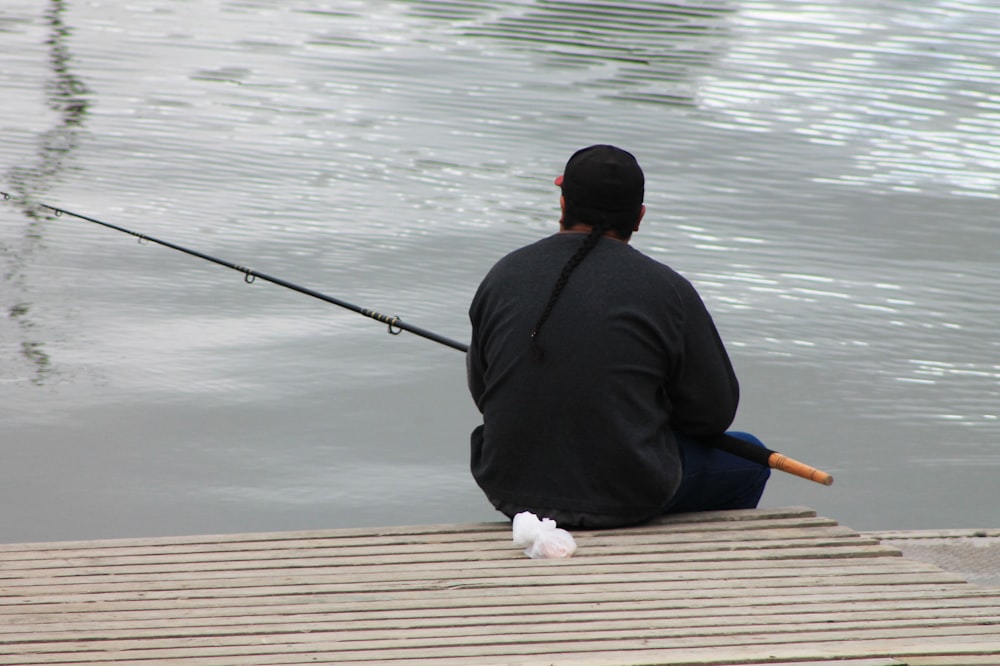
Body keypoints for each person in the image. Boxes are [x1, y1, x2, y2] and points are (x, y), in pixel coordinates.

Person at [466, 144, 770, 529]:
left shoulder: (503, 276)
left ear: (563, 205)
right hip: (624, 494)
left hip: (511, 489)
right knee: (750, 457)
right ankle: (698, 566)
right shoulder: (667, 289)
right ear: (639, 217)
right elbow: (712, 414)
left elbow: (483, 394)